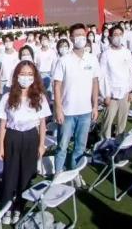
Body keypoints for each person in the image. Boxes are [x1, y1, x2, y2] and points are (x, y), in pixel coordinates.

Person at [0, 61, 50, 225]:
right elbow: (3, 124)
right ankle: (6, 208)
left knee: (26, 175)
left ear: (34, 77)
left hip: (31, 138)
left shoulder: (40, 97)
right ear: (16, 76)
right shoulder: (7, 97)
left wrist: (41, 145)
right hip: (12, 137)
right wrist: (1, 146)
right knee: (9, 174)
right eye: (22, 74)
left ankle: (19, 207)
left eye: (29, 74)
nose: (25, 78)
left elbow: (42, 124)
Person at [52, 23, 99, 184]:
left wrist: (95, 106)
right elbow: (56, 85)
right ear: (71, 38)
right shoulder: (64, 60)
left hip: (85, 112)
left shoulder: (92, 58)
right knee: (62, 145)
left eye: (82, 35)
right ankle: (58, 173)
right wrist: (58, 109)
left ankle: (75, 172)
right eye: (77, 35)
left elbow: (95, 82)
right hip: (67, 112)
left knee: (80, 146)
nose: (80, 38)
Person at [99, 26, 132, 139]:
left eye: (120, 34)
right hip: (111, 95)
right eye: (115, 34)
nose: (118, 37)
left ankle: (120, 142)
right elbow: (102, 76)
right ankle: (105, 143)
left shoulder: (127, 52)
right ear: (110, 37)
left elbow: (131, 72)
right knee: (107, 122)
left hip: (125, 93)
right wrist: (106, 94)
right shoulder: (106, 54)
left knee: (122, 122)